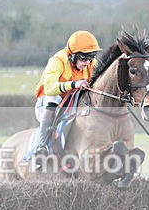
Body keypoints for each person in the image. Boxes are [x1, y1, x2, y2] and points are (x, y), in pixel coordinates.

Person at [32, 30, 101, 158]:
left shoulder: (91, 63)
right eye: (83, 58)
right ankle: (41, 146)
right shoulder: (57, 61)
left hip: (73, 101)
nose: (87, 62)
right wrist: (74, 84)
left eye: (91, 57)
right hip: (49, 103)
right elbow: (49, 89)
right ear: (72, 55)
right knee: (54, 97)